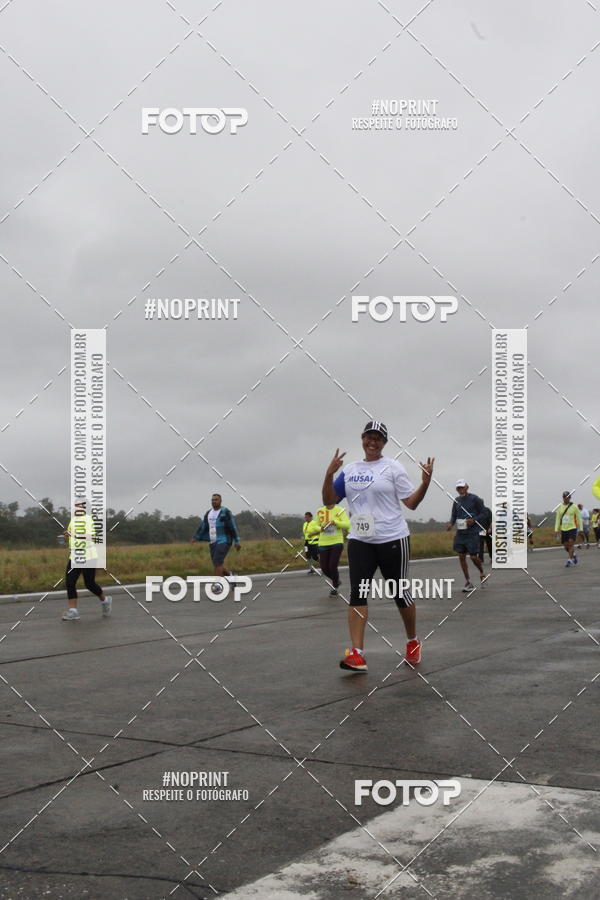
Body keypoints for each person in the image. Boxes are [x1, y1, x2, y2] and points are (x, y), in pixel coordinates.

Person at [322, 420, 434, 673]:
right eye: (368, 437)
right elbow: (329, 501)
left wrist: (425, 483)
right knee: (357, 594)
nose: (372, 442)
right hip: (361, 540)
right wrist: (329, 474)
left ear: (384, 443)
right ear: (362, 439)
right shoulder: (350, 470)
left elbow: (411, 503)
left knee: (399, 593)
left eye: (378, 438)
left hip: (393, 538)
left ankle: (412, 642)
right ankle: (357, 655)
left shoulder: (392, 467)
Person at [62, 500, 112, 620]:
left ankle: (105, 601)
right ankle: (73, 611)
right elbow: (69, 537)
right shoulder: (73, 520)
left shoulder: (88, 519)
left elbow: (92, 536)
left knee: (89, 584)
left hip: (89, 556)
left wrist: (75, 535)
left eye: (78, 505)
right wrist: (66, 536)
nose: (75, 507)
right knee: (70, 582)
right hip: (74, 556)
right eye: (75, 505)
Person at [446, 480, 486, 591]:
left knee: (473, 557)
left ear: (467, 487)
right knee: (461, 557)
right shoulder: (457, 501)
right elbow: (454, 515)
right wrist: (451, 524)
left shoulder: (475, 499)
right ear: (456, 489)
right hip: (461, 533)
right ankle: (468, 582)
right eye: (458, 488)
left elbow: (484, 513)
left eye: (462, 487)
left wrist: (473, 520)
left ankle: (482, 573)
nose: (460, 489)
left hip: (472, 532)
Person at [191, 493, 240, 577]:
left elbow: (233, 526)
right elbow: (203, 526)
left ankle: (218, 585)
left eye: (216, 500)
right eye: (212, 500)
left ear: (220, 501)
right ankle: (231, 576)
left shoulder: (225, 512)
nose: (214, 501)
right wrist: (196, 537)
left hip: (224, 540)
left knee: (217, 561)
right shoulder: (209, 513)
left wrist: (237, 541)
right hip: (213, 541)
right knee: (217, 564)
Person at [316, 502, 351, 595]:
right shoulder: (320, 511)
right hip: (323, 543)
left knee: (332, 566)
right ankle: (336, 580)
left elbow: (347, 524)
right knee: (324, 568)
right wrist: (320, 528)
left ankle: (335, 586)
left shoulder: (340, 510)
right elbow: (315, 526)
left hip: (336, 542)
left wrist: (335, 522)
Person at [555, 491, 582, 566]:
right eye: (564, 497)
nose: (565, 499)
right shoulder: (560, 507)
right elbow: (557, 519)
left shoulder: (574, 506)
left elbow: (579, 518)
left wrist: (581, 529)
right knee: (566, 546)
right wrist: (556, 529)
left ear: (570, 498)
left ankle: (569, 560)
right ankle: (573, 554)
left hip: (572, 527)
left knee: (570, 544)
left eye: (567, 497)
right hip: (564, 529)